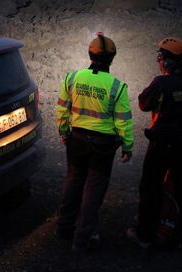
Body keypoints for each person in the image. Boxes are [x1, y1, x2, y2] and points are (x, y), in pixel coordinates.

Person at [55, 32, 134, 251]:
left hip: (76, 140)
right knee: (94, 190)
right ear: (112, 58)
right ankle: (82, 239)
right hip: (103, 146)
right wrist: (127, 146)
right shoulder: (117, 87)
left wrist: (63, 133)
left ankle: (63, 229)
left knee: (73, 182)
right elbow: (123, 121)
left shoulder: (72, 78)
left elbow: (62, 110)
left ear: (89, 54)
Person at [127, 36, 182, 250]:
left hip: (162, 144)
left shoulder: (163, 82)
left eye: (161, 57)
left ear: (169, 60)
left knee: (150, 187)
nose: (159, 61)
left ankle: (144, 233)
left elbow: (143, 103)